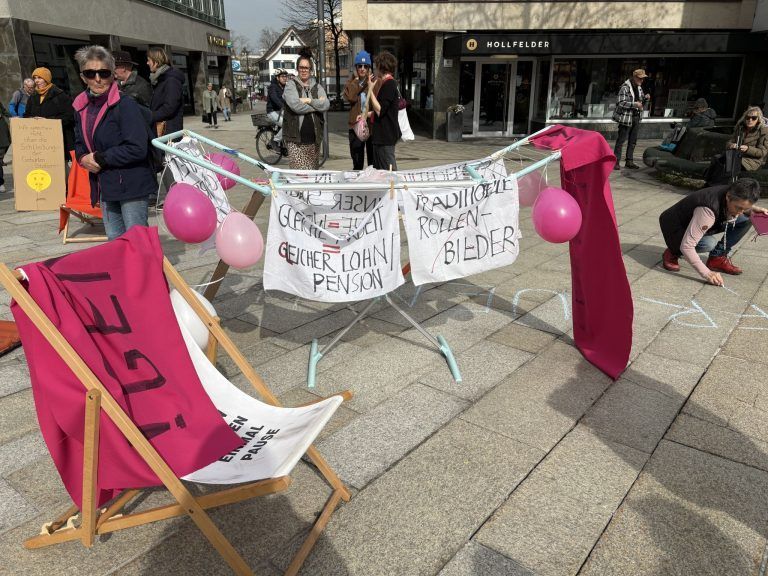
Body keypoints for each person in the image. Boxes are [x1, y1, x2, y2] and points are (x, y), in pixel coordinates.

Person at [72, 45, 156, 241]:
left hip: (132, 182)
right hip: (105, 184)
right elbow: (78, 142)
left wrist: (101, 157)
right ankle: (123, 273)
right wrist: (83, 157)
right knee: (115, 241)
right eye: (90, 73)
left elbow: (137, 148)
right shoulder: (80, 105)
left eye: (103, 72)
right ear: (83, 76)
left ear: (113, 75)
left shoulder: (125, 104)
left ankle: (146, 273)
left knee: (137, 241)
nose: (98, 78)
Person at [659, 178, 767, 284]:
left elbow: (741, 207)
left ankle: (717, 257)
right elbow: (687, 246)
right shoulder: (707, 211)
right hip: (676, 227)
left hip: (698, 222)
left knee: (747, 218)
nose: (740, 212)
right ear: (728, 197)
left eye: (745, 208)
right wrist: (707, 273)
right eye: (738, 208)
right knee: (708, 244)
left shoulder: (734, 191)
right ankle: (673, 250)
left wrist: (753, 209)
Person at [282, 49, 329, 170]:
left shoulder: (317, 87)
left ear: (310, 70)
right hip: (296, 140)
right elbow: (296, 106)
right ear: (297, 69)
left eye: (306, 68)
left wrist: (309, 100)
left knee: (312, 177)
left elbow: (326, 105)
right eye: (301, 67)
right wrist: (316, 106)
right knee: (299, 179)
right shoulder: (291, 85)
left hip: (314, 140)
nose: (303, 70)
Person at [24, 67, 75, 159]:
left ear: (46, 79)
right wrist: (30, 120)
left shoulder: (60, 95)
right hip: (38, 143)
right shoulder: (33, 97)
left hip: (59, 143)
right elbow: (26, 115)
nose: (36, 81)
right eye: (35, 78)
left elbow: (70, 117)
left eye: (39, 78)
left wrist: (48, 121)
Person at [368, 51, 400, 171]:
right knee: (382, 172)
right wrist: (365, 115)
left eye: (376, 67)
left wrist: (370, 90)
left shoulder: (389, 84)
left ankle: (393, 190)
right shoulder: (387, 84)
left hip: (385, 137)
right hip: (382, 137)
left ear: (381, 68)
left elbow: (380, 110)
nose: (375, 71)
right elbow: (382, 111)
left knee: (389, 172)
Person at [612, 69, 650, 170]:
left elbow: (641, 102)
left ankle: (629, 161)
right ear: (634, 77)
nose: (642, 80)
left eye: (643, 79)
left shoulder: (639, 88)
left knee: (633, 141)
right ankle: (616, 161)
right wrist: (634, 104)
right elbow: (620, 102)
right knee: (621, 140)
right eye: (640, 78)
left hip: (636, 117)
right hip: (626, 118)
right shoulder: (625, 87)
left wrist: (645, 98)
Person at [343, 50, 374, 170]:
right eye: (359, 66)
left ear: (369, 68)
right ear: (356, 67)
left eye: (365, 66)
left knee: (372, 161)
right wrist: (359, 83)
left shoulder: (373, 82)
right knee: (357, 160)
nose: (362, 69)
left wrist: (368, 84)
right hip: (355, 126)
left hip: (370, 126)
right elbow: (350, 97)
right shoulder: (351, 83)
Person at [147, 47, 184, 137]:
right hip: (161, 131)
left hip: (169, 133)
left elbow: (169, 108)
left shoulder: (171, 80)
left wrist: (149, 116)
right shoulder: (159, 79)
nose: (147, 63)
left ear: (156, 61)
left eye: (149, 60)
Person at [267, 69, 287, 143]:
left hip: (280, 111)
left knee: (294, 121)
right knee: (287, 125)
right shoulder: (273, 87)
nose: (285, 78)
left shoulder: (284, 87)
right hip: (272, 112)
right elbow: (274, 98)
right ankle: (275, 141)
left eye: (285, 76)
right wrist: (283, 106)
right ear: (277, 78)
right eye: (282, 76)